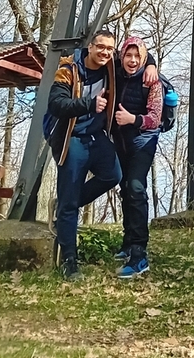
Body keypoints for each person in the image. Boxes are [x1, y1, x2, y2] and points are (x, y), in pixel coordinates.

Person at [47, 29, 122, 281]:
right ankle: (69, 260)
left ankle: (65, 206)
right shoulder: (68, 69)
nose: (105, 52)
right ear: (90, 47)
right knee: (69, 201)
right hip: (72, 137)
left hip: (96, 136)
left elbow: (137, 56)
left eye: (109, 49)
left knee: (113, 175)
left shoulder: (111, 67)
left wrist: (152, 63)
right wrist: (89, 104)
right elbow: (56, 104)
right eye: (100, 47)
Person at [113, 35, 163, 279]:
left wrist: (132, 119)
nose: (132, 60)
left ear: (142, 58)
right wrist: (151, 60)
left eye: (138, 56)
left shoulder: (151, 81)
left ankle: (139, 253)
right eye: (128, 55)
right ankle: (128, 241)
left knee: (135, 187)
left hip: (143, 140)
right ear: (122, 56)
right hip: (120, 140)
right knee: (125, 187)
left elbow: (155, 118)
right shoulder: (115, 72)